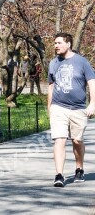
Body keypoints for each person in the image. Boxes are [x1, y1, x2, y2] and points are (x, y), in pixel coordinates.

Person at [47, 32, 95, 187]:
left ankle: (79, 168)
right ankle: (59, 175)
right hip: (58, 107)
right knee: (59, 140)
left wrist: (93, 103)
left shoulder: (82, 62)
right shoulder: (53, 63)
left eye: (59, 43)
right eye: (55, 43)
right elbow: (51, 86)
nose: (56, 46)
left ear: (68, 44)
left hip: (78, 108)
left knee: (77, 141)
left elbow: (92, 83)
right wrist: (50, 107)